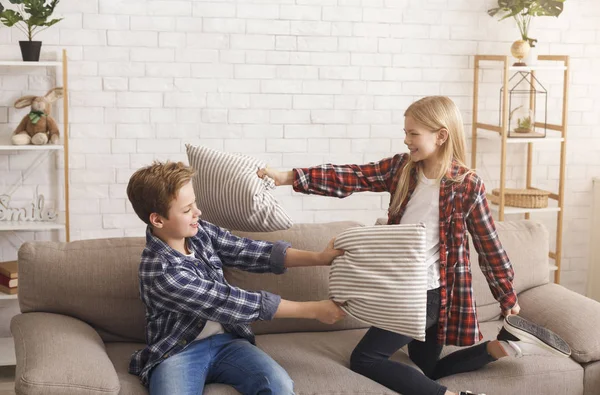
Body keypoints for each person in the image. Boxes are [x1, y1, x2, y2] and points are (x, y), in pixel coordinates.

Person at [258, 96, 571, 395]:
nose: (407, 140)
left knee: (365, 359)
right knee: (428, 369)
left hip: (426, 297)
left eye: (413, 133)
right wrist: (289, 177)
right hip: (408, 289)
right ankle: (508, 345)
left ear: (441, 136)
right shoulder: (402, 169)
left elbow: (488, 244)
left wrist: (507, 296)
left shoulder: (466, 185)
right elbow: (352, 176)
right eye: (405, 132)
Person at [126, 160, 346, 395]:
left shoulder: (200, 233)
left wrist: (320, 258)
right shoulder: (159, 270)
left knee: (279, 386)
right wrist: (314, 311)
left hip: (228, 343)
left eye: (195, 203)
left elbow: (249, 251)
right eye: (187, 209)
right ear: (158, 220)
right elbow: (224, 301)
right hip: (178, 351)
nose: (197, 212)